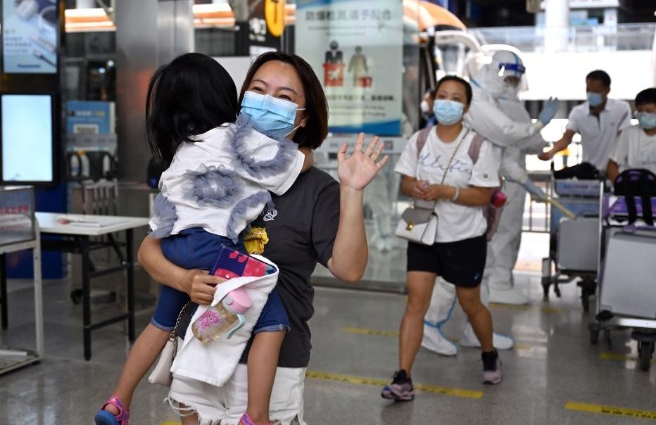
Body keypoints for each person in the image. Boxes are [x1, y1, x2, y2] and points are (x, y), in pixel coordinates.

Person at [138, 51, 388, 425]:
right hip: (200, 348)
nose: (268, 102)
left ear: (304, 117)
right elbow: (151, 248)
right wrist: (183, 279)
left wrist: (351, 191)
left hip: (271, 366)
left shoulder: (315, 188)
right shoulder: (207, 159)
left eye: (285, 97)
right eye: (258, 90)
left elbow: (349, 269)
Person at [94, 52, 312, 425]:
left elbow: (160, 223)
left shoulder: (183, 150)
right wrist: (309, 153)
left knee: (161, 323)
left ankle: (118, 401)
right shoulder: (233, 138)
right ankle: (257, 416)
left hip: (176, 244)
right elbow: (291, 165)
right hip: (213, 246)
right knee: (273, 321)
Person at [421, 50, 554, 356]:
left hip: (483, 196)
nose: (511, 85)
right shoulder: (477, 101)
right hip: (462, 196)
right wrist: (537, 126)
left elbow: (497, 155)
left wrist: (525, 181)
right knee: (455, 265)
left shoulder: (490, 101)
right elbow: (507, 134)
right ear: (495, 70)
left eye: (515, 80)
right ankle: (430, 324)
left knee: (485, 264)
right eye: (507, 78)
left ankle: (475, 328)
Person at [382, 75, 503, 402]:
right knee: (415, 304)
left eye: (455, 97)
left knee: (471, 304)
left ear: (465, 106)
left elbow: (483, 196)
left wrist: (446, 191)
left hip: (464, 237)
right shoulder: (420, 140)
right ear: (433, 100)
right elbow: (405, 184)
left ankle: (488, 351)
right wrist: (417, 188)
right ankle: (403, 376)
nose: (447, 102)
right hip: (424, 233)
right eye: (442, 96)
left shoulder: (478, 146)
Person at [539, 69, 632, 174]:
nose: (591, 94)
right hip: (588, 171)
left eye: (596, 91)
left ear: (607, 90)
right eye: (588, 90)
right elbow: (567, 138)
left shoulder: (621, 109)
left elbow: (624, 138)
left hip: (616, 170)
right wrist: (551, 152)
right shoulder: (578, 112)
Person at [607, 87, 656, 182]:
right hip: (631, 190)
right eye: (640, 112)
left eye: (649, 111)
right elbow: (612, 164)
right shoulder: (628, 133)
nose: (644, 115)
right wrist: (620, 188)